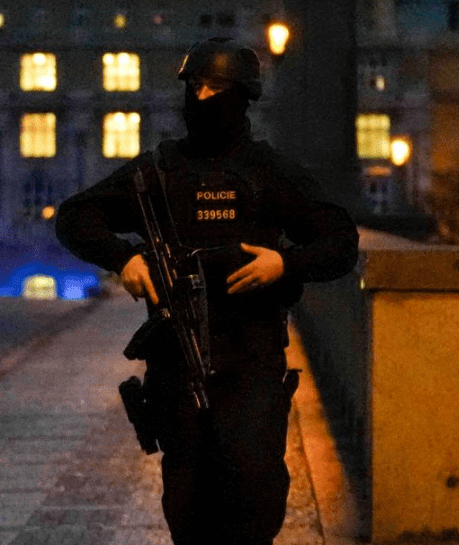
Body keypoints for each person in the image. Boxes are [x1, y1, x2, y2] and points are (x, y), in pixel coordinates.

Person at [55, 38, 359, 545]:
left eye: (214, 87)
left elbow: (341, 243)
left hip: (252, 361)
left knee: (254, 488)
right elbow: (75, 217)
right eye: (193, 85)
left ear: (242, 96)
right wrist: (124, 257)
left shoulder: (269, 172)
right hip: (177, 365)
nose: (200, 97)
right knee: (187, 501)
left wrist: (284, 263)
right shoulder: (159, 173)